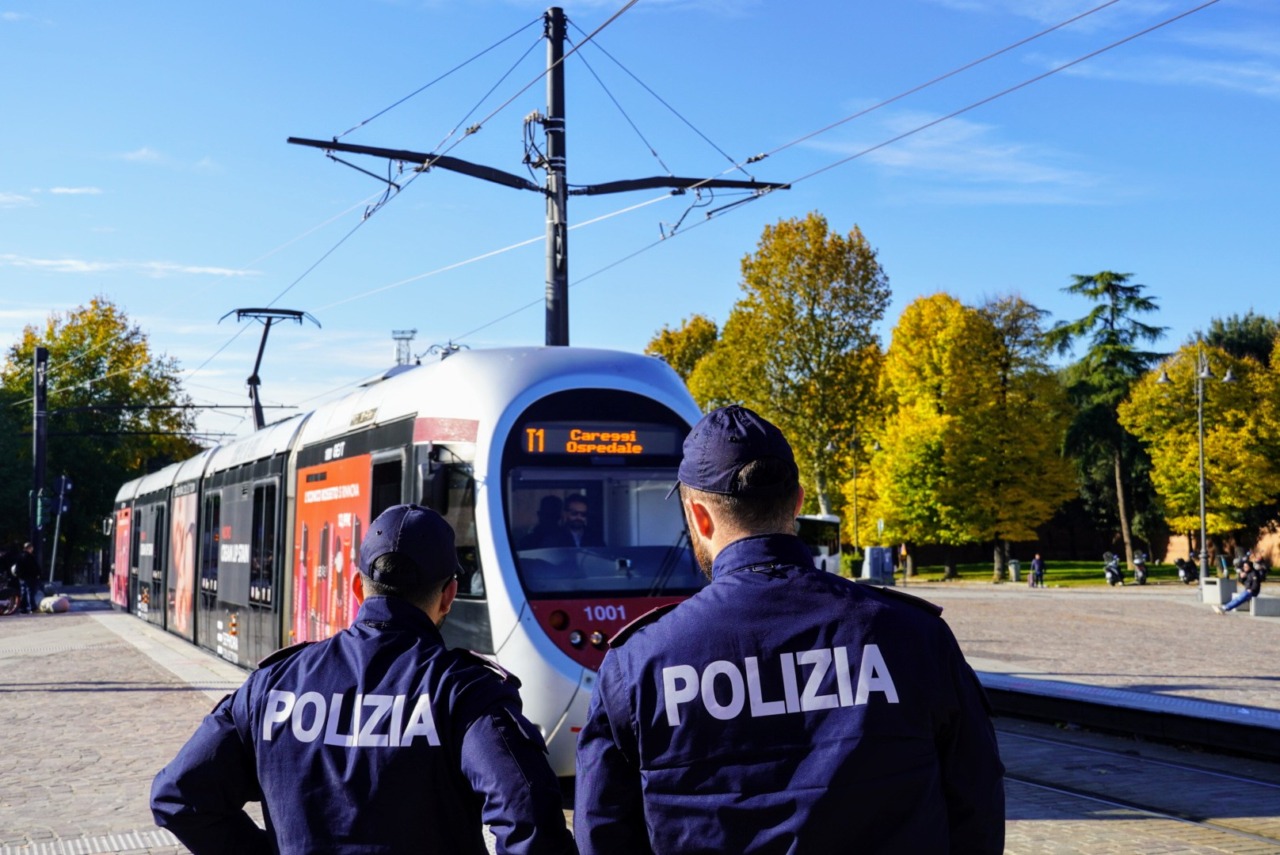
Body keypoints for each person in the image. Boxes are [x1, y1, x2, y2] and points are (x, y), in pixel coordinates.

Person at [574, 405, 1005, 854]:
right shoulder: (913, 635)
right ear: (797, 502)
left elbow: (602, 833)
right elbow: (977, 805)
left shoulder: (637, 664)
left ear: (698, 517)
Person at [151, 503, 576, 855]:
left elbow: (178, 796)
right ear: (448, 595)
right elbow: (529, 818)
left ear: (358, 587)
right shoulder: (463, 692)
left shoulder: (272, 684)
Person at [13, 543, 42, 614]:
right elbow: (34, 567)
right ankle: (33, 607)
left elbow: (17, 568)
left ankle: (23, 608)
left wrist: (19, 576)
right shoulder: (30, 557)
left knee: (24, 593)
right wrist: (38, 574)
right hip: (31, 577)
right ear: (30, 548)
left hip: (22, 578)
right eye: (31, 548)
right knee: (31, 592)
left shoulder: (20, 556)